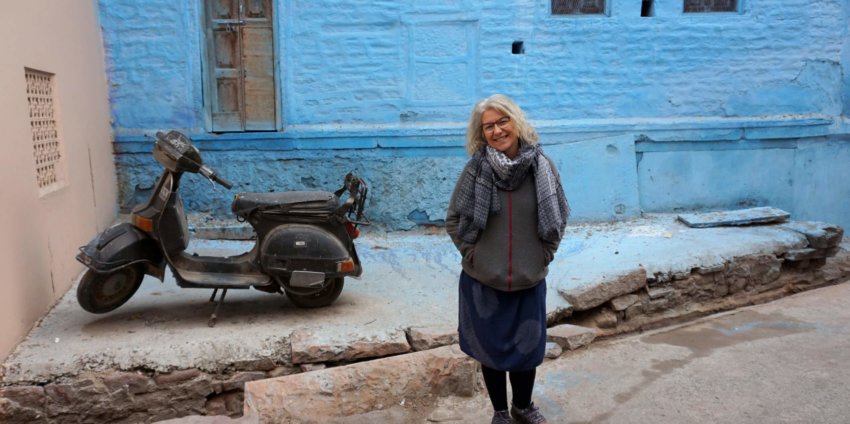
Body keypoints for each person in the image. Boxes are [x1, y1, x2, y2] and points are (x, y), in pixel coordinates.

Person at [445, 94, 570, 424]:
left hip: (528, 280)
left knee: (527, 351)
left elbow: (557, 218)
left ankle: (523, 407)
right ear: (481, 133)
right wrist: (474, 257)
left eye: (503, 121)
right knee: (491, 351)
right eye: (488, 126)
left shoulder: (542, 168)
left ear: (517, 123)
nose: (497, 131)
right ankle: (500, 411)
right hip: (483, 281)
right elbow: (454, 220)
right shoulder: (475, 170)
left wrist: (544, 255)